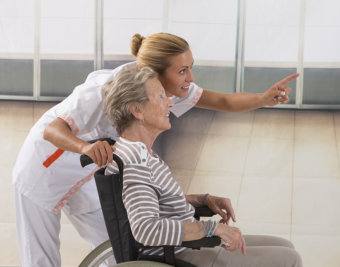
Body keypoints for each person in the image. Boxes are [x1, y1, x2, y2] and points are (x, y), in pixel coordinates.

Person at [12, 32, 299, 267]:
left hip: (92, 174)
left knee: (119, 249)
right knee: (40, 260)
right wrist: (85, 146)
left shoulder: (164, 93)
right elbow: (52, 130)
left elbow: (221, 101)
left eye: (190, 67)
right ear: (155, 77)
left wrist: (263, 98)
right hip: (44, 169)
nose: (190, 78)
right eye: (183, 71)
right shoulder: (104, 90)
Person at [102, 65, 302, 266]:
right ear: (137, 110)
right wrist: (212, 229)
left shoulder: (138, 152)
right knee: (290, 260)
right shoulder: (136, 163)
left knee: (285, 246)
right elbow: (147, 229)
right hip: (181, 254)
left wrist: (202, 199)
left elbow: (155, 202)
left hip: (190, 244)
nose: (169, 104)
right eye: (161, 97)